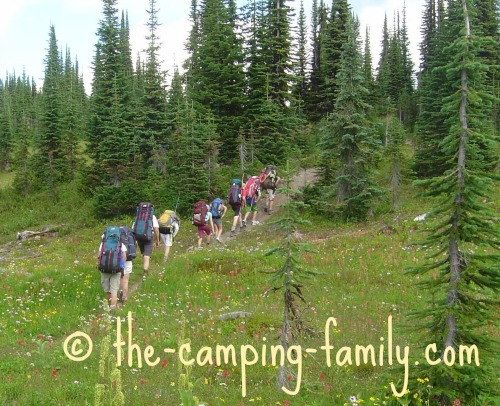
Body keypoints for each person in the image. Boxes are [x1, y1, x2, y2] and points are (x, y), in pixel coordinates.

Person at [97, 228, 127, 311]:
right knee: (114, 291)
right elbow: (124, 256)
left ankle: (108, 307)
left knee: (107, 290)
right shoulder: (120, 243)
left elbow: (99, 256)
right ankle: (113, 310)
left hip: (104, 269)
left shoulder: (103, 243)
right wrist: (121, 266)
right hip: (116, 269)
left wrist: (99, 264)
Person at [132, 203, 160, 280]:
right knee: (147, 255)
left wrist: (134, 241)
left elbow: (133, 229)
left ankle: (144, 268)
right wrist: (157, 240)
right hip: (148, 237)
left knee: (144, 253)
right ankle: (145, 272)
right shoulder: (152, 217)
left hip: (138, 237)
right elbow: (156, 229)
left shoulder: (138, 216)